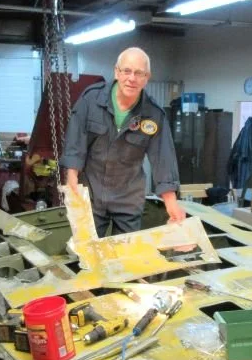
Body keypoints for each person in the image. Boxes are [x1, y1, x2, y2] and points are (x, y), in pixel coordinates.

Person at [61, 47, 185, 237]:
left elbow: (163, 159)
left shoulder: (153, 114)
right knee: (87, 255)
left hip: (128, 197)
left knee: (126, 257)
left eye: (139, 73)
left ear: (147, 77)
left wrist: (171, 203)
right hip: (91, 193)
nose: (132, 78)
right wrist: (72, 178)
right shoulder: (91, 99)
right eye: (126, 71)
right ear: (116, 72)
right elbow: (75, 140)